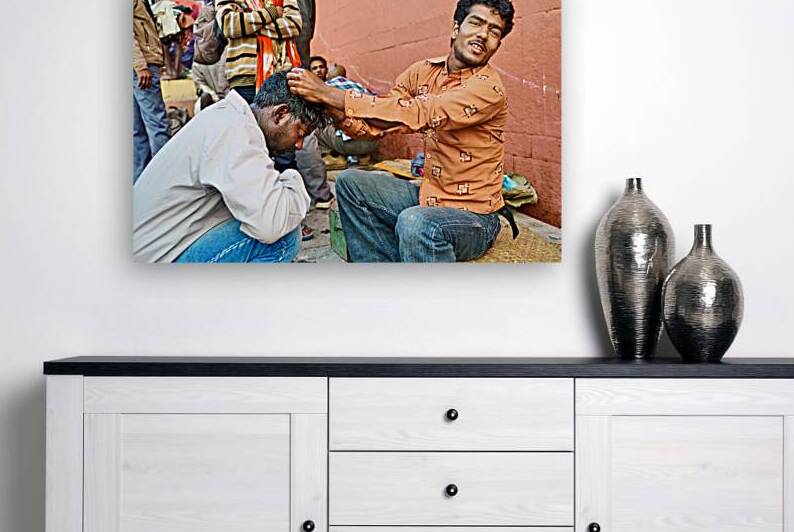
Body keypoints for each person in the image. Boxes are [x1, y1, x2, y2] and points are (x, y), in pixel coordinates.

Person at [287, 0, 515, 262]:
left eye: (494, 31)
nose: (483, 35)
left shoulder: (488, 88)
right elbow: (381, 121)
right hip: (430, 196)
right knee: (350, 182)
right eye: (476, 23)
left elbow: (419, 112)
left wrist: (330, 93)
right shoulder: (422, 73)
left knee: (416, 223)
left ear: (497, 44)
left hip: (475, 218)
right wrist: (332, 108)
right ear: (455, 29)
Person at [133, 72, 328, 263]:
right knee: (283, 239)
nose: (299, 144)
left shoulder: (229, 117)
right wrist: (293, 179)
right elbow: (271, 225)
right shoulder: (236, 132)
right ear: (280, 114)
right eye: (300, 132)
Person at [133, 0, 172, 183]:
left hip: (138, 66)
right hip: (142, 66)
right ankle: (164, 181)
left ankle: (141, 183)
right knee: (158, 125)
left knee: (137, 131)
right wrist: (141, 66)